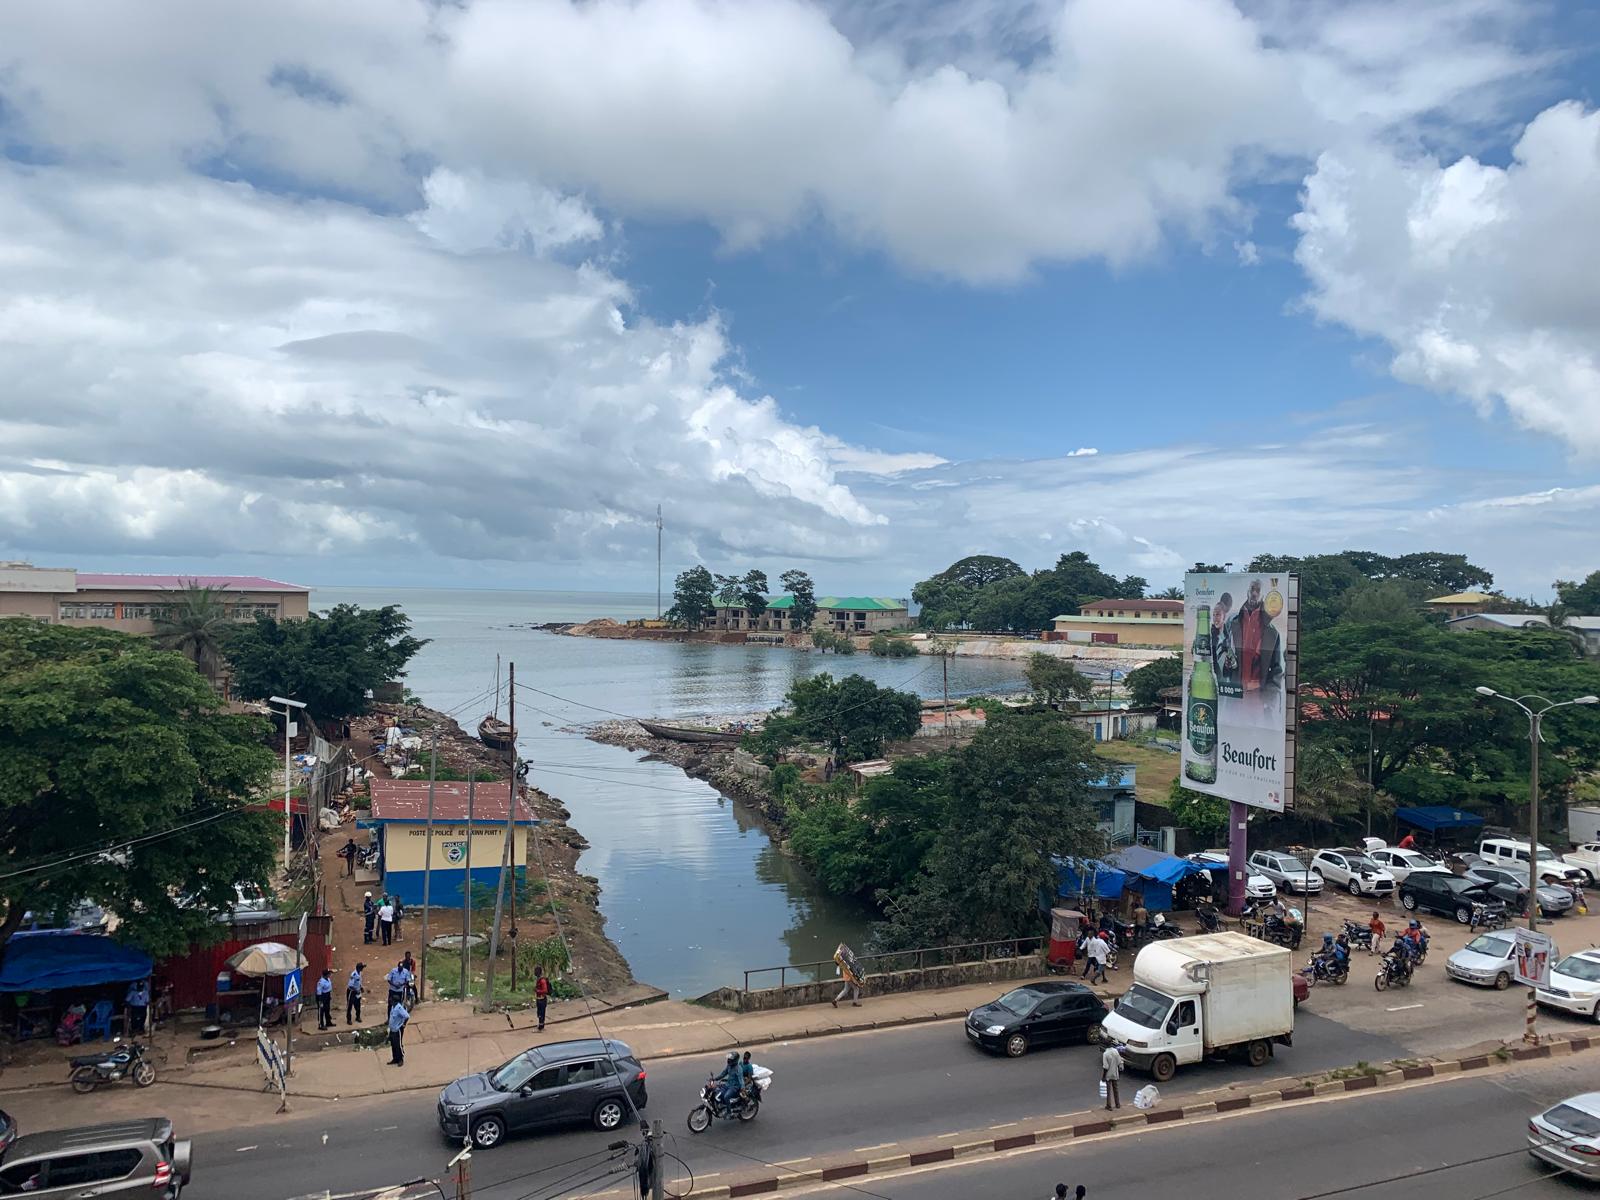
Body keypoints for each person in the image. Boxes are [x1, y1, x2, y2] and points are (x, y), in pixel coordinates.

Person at [832, 943, 863, 1008]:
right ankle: (855, 1002)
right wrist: (855, 979)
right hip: (849, 977)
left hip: (846, 976)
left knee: (845, 990)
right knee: (856, 988)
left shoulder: (844, 962)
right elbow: (852, 971)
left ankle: (835, 1000)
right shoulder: (847, 961)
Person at [1100, 1042, 1123, 1110]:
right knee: (1116, 1089)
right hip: (1115, 1073)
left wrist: (1103, 1076)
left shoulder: (1105, 1054)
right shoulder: (1116, 1051)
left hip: (1108, 1075)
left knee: (1108, 1091)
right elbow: (1119, 1062)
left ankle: (1109, 1105)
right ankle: (1117, 1104)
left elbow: (1105, 1067)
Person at [387, 999, 409, 1066]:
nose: (390, 1002)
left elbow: (407, 1016)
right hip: (392, 1029)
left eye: (391, 1001)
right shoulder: (393, 1007)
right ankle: (395, 1058)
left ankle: (400, 1059)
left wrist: (403, 1024)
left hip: (397, 1030)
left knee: (398, 1045)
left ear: (395, 1002)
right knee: (393, 1044)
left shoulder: (399, 1008)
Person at [534, 965, 551, 1031]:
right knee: (539, 1013)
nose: (534, 972)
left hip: (542, 999)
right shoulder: (539, 979)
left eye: (535, 971)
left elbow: (545, 990)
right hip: (539, 999)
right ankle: (541, 1025)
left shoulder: (542, 980)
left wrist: (537, 991)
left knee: (541, 1013)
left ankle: (541, 1027)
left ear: (538, 972)